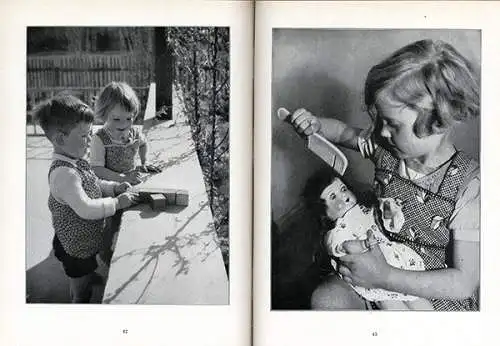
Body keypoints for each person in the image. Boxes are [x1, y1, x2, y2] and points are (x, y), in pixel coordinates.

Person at [290, 39, 480, 310]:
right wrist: (317, 126)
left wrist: (385, 277)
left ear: (439, 121)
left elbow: (463, 283)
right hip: (374, 258)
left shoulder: (470, 186)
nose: (380, 132)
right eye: (377, 120)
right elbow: (344, 133)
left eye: (391, 124)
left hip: (427, 291)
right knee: (325, 300)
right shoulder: (385, 146)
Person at [34, 94, 138, 303]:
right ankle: (79, 302)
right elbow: (86, 208)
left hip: (84, 239)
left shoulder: (76, 161)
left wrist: (114, 188)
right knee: (81, 288)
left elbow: (94, 183)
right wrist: (116, 203)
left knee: (87, 267)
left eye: (90, 134)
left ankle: (88, 275)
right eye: (84, 136)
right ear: (60, 139)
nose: (90, 140)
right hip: (75, 246)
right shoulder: (64, 174)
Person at [320, 177, 434, 310]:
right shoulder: (337, 231)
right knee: (391, 305)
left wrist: (388, 212)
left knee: (417, 297)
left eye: (343, 189)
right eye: (333, 197)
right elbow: (343, 247)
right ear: (325, 214)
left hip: (394, 261)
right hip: (368, 272)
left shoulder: (366, 208)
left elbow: (388, 224)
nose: (344, 195)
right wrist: (363, 245)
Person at [89, 82, 161, 264]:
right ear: (104, 116)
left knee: (130, 219)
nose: (123, 125)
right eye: (116, 119)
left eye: (128, 119)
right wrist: (121, 178)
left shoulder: (134, 132)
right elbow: (97, 169)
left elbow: (143, 144)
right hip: (110, 187)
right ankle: (104, 254)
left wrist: (145, 161)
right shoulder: (100, 139)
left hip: (130, 183)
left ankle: (129, 254)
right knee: (110, 223)